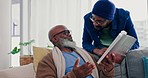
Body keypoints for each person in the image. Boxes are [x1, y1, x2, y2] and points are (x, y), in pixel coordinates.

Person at [36, 25, 116, 78]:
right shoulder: (47, 61)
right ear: (55, 39)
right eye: (65, 33)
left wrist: (107, 70)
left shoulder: (86, 54)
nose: (69, 35)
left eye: (69, 32)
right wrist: (74, 75)